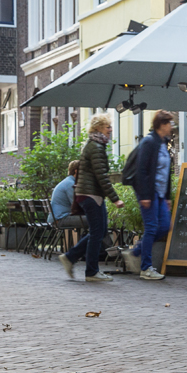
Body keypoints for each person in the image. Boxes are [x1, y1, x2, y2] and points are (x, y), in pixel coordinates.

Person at [59, 114, 123, 282]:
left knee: (100, 231)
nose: (110, 129)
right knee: (97, 233)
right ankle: (91, 272)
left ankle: (70, 257)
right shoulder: (95, 147)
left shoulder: (95, 145)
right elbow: (101, 176)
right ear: (98, 128)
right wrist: (115, 198)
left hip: (91, 194)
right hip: (91, 195)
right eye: (107, 126)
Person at [131, 110, 175, 281]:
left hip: (161, 194)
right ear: (162, 125)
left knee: (165, 226)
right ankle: (146, 268)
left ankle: (137, 250)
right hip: (149, 192)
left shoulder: (163, 143)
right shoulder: (149, 142)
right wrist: (144, 195)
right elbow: (141, 170)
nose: (171, 126)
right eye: (169, 123)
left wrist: (168, 196)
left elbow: (167, 172)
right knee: (151, 227)